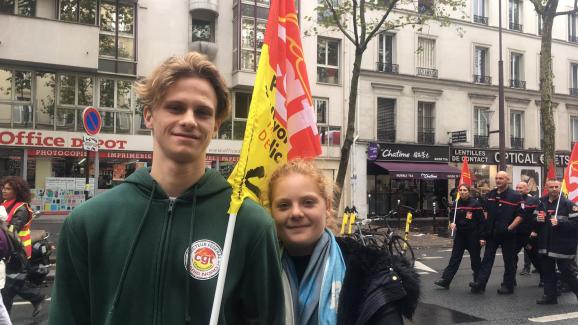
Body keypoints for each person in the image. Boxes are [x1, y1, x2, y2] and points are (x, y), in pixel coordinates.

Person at [49, 52, 285, 324]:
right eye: (175, 107)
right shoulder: (89, 223)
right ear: (149, 115)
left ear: (216, 125)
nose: (189, 120)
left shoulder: (248, 224)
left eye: (202, 112)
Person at [268, 159, 419, 325]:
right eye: (284, 205)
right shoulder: (256, 270)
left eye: (308, 202)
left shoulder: (370, 273)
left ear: (326, 206)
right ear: (271, 212)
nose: (296, 213)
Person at [470, 171, 524, 294]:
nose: (498, 180)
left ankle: (508, 286)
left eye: (501, 178)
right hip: (492, 233)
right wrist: (484, 231)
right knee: (487, 259)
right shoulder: (490, 194)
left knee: (509, 261)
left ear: (507, 179)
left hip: (508, 234)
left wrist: (510, 228)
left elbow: (521, 216)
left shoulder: (516, 196)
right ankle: (480, 283)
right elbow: (485, 212)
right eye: (496, 178)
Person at [0, 176, 45, 317]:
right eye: (3, 188)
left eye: (8, 189)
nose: (4, 191)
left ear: (17, 191)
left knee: (7, 287)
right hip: (8, 250)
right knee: (13, 282)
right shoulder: (5, 203)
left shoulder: (22, 209)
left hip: (18, 251)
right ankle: (36, 297)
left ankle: (4, 316)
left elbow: (12, 230)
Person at [534, 179, 578, 304]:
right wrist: (537, 219)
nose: (554, 189)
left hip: (562, 245)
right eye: (551, 187)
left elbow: (576, 224)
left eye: (556, 187)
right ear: (546, 188)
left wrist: (561, 222)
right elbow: (533, 221)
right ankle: (550, 296)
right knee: (547, 271)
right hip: (545, 243)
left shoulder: (568, 204)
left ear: (560, 188)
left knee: (566, 272)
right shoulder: (541, 202)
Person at [434, 184, 484, 289]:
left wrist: (482, 237)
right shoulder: (456, 204)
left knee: (475, 260)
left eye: (464, 190)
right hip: (460, 235)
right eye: (460, 190)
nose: (462, 192)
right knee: (454, 259)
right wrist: (452, 223)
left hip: (472, 235)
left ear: (468, 191)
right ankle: (445, 280)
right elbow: (452, 217)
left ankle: (478, 282)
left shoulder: (475, 204)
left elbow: (481, 222)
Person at [514, 181, 542, 282]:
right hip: (516, 234)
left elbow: (539, 217)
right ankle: (510, 281)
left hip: (529, 235)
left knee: (535, 257)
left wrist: (535, 231)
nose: (518, 190)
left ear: (527, 190)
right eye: (517, 187)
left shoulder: (533, 201)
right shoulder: (513, 200)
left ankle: (544, 279)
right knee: (511, 257)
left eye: (520, 188)